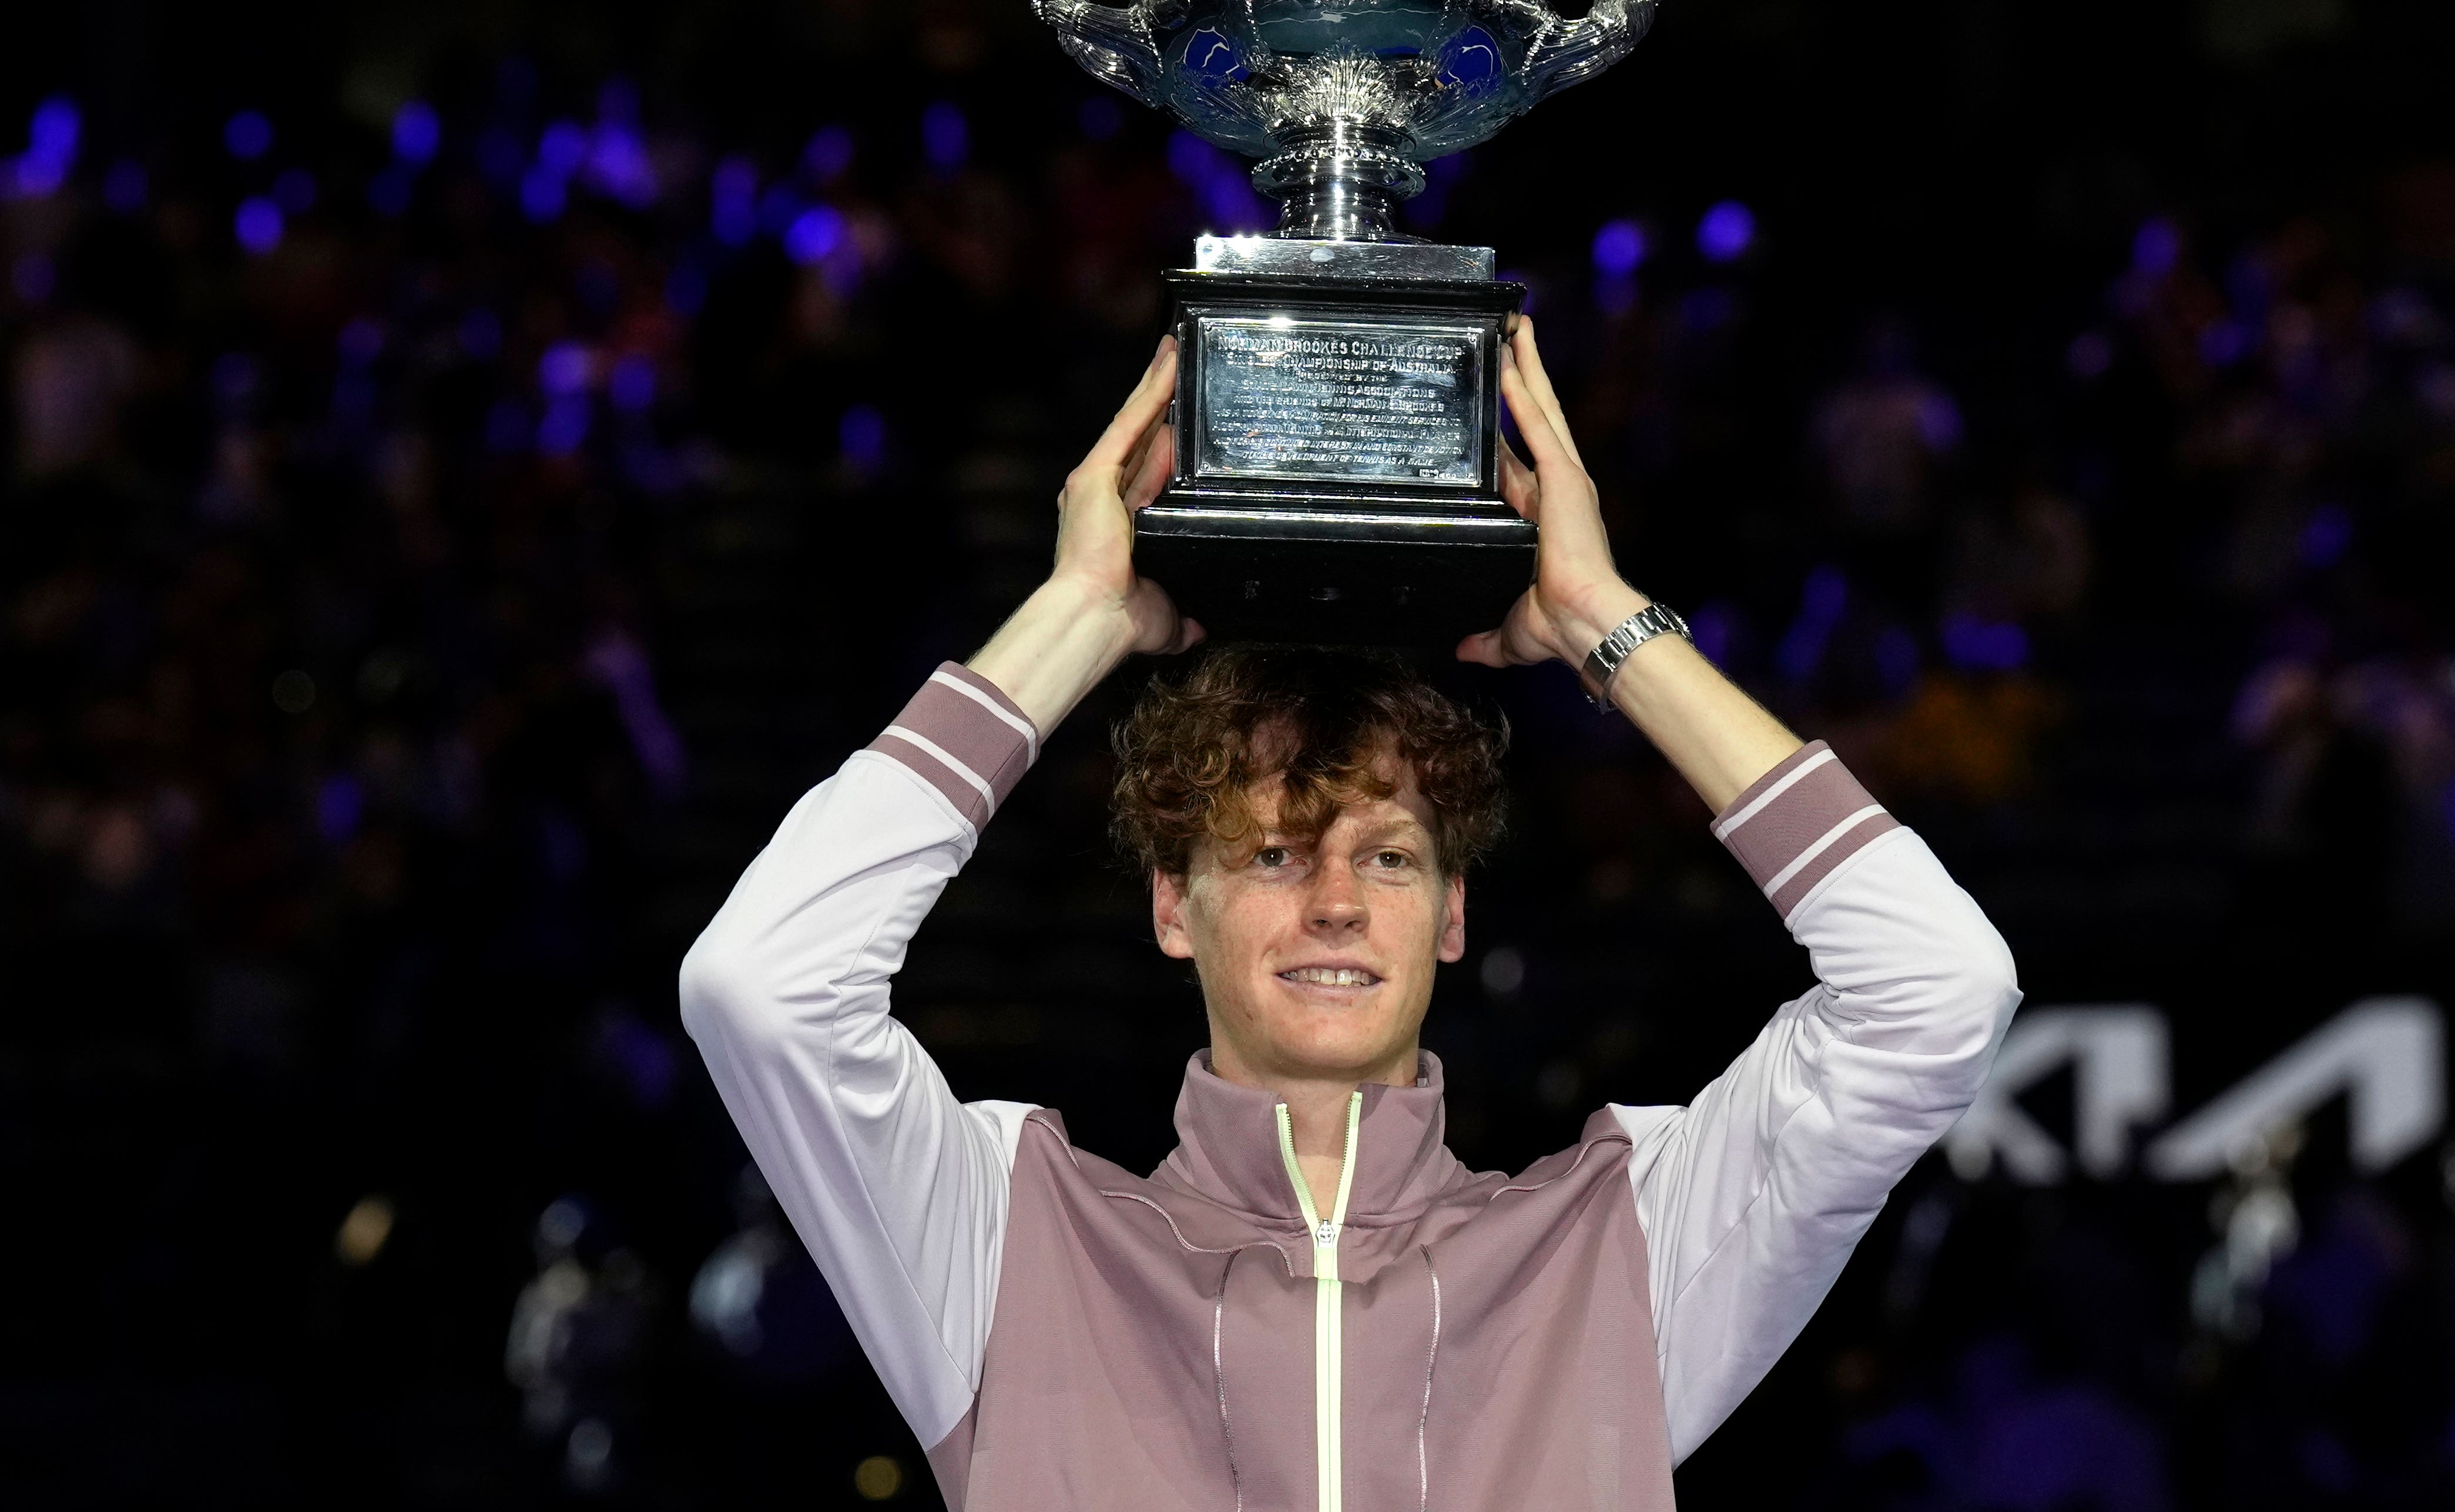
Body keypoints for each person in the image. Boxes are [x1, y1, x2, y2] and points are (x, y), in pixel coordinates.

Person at [680, 320, 2020, 1509]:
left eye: (1386, 858)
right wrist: (1077, 614)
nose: (1332, 902)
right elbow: (762, 983)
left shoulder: (1624, 1241)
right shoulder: (1005, 1237)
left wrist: (1608, 623)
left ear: (1449, 914)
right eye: (1270, 854)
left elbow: (1940, 988)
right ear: (1170, 905)